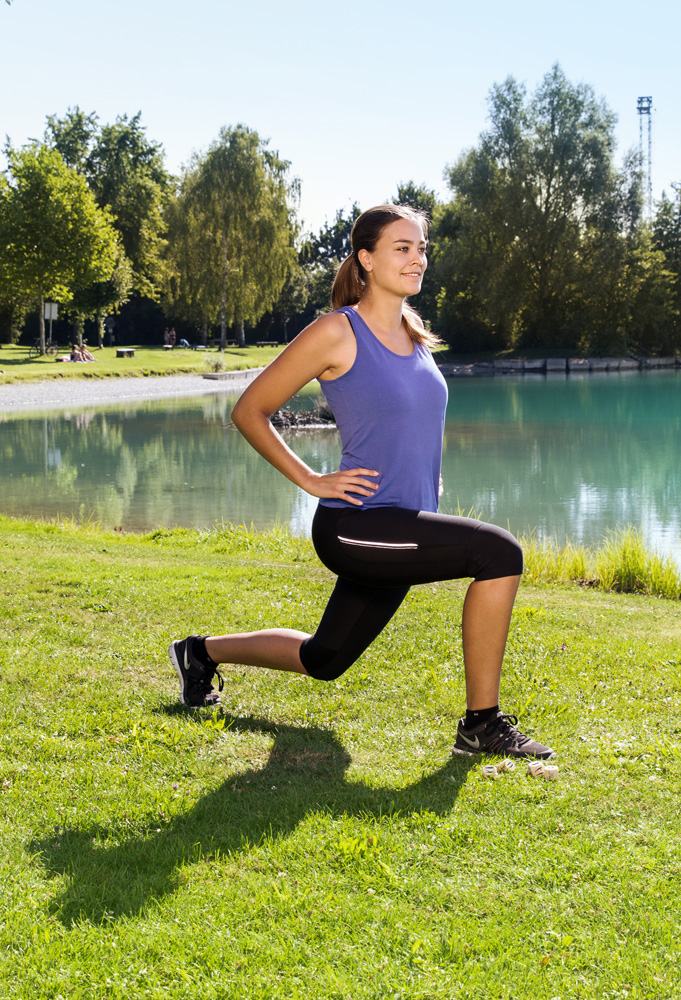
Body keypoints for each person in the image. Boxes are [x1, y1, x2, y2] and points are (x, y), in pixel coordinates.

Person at [168, 204, 553, 760]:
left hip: (402, 524)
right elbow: (251, 409)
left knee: (326, 658)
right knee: (499, 553)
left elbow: (414, 423)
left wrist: (431, 480)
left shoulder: (415, 335)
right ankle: (481, 724)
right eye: (403, 247)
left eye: (421, 248)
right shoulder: (336, 332)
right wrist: (311, 479)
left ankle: (200, 652)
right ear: (366, 259)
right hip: (357, 524)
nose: (417, 258)